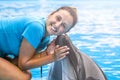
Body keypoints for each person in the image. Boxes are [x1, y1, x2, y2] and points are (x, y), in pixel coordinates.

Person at [0, 6, 78, 80]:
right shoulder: (36, 27)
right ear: (51, 14)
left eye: (63, 26)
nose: (57, 25)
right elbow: (23, 64)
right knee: (23, 77)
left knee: (23, 73)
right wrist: (53, 57)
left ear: (66, 32)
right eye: (58, 18)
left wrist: (46, 52)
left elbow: (16, 62)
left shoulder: (45, 40)